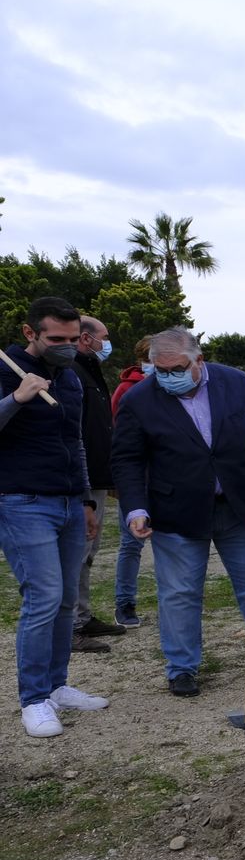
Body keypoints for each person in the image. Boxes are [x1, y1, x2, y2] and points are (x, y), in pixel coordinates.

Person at [111, 326, 245, 697]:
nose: (168, 377)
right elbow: (128, 459)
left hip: (239, 504)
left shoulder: (236, 383)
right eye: (160, 371)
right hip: (175, 511)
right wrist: (135, 508)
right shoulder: (139, 400)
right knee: (178, 593)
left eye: (176, 369)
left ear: (199, 360)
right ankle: (181, 667)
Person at [0, 297, 111, 738]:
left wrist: (85, 500)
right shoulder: (6, 370)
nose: (67, 347)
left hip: (68, 501)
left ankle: (57, 684)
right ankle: (33, 699)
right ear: (31, 333)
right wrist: (16, 398)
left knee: (66, 598)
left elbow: (77, 443)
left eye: (72, 339)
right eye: (56, 340)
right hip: (21, 501)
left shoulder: (70, 379)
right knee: (43, 598)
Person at [70, 315, 126, 651]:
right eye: (104, 337)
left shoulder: (88, 371)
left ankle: (82, 616)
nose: (107, 343)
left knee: (88, 551)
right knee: (77, 550)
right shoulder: (72, 373)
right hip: (82, 476)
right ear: (86, 338)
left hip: (97, 475)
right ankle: (71, 626)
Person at [110, 336, 152, 628]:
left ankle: (177, 599)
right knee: (131, 543)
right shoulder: (127, 390)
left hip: (169, 477)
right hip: (138, 478)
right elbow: (120, 439)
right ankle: (124, 603)